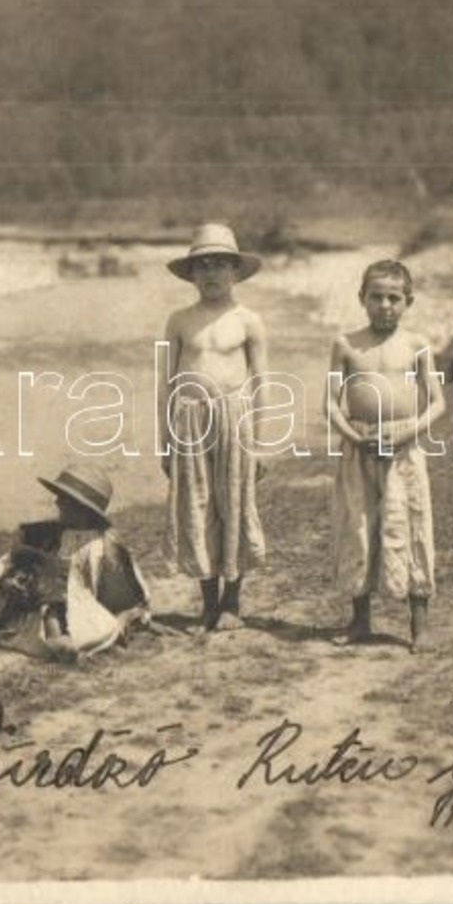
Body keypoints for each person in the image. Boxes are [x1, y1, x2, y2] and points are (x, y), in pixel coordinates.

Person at [325, 259, 447, 653]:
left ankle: (420, 624)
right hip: (358, 447)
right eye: (376, 297)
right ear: (362, 298)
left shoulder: (416, 345)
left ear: (408, 301)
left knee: (410, 525)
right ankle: (360, 619)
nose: (385, 305)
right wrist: (353, 437)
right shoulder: (346, 344)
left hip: (403, 449)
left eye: (394, 297)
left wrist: (406, 434)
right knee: (358, 526)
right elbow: (329, 404)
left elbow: (438, 403)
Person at [158, 223, 269, 632]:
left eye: (220, 265)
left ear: (236, 272)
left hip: (235, 418)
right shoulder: (179, 321)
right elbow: (165, 384)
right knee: (196, 505)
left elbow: (261, 384)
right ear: (191, 273)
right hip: (189, 418)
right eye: (203, 265)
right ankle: (207, 601)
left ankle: (232, 602)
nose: (211, 274)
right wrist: (165, 440)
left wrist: (259, 443)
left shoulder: (249, 321)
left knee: (234, 503)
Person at [0, 464, 157, 662]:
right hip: (45, 604)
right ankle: (56, 635)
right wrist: (11, 579)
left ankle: (62, 637)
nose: (56, 502)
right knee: (41, 588)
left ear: (82, 508)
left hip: (84, 608)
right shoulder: (50, 533)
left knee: (75, 609)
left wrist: (124, 615)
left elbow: (123, 590)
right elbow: (17, 560)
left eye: (63, 498)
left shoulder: (104, 545)